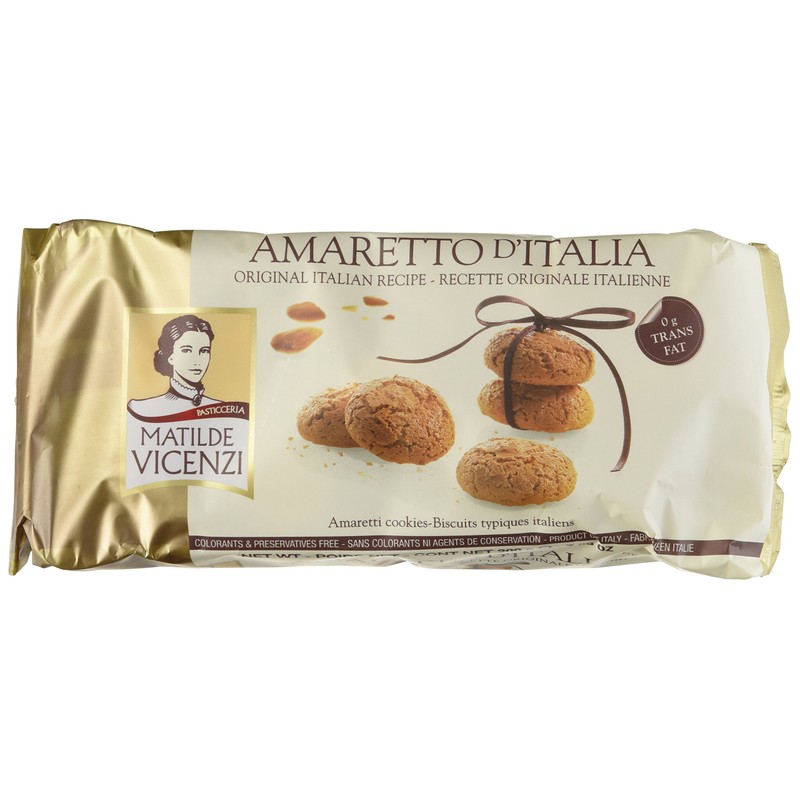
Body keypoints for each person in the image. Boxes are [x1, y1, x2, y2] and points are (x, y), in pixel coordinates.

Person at [128, 314, 220, 418]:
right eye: (187, 350)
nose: (197, 360)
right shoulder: (139, 409)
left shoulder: (224, 410)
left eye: (204, 351)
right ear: (170, 356)